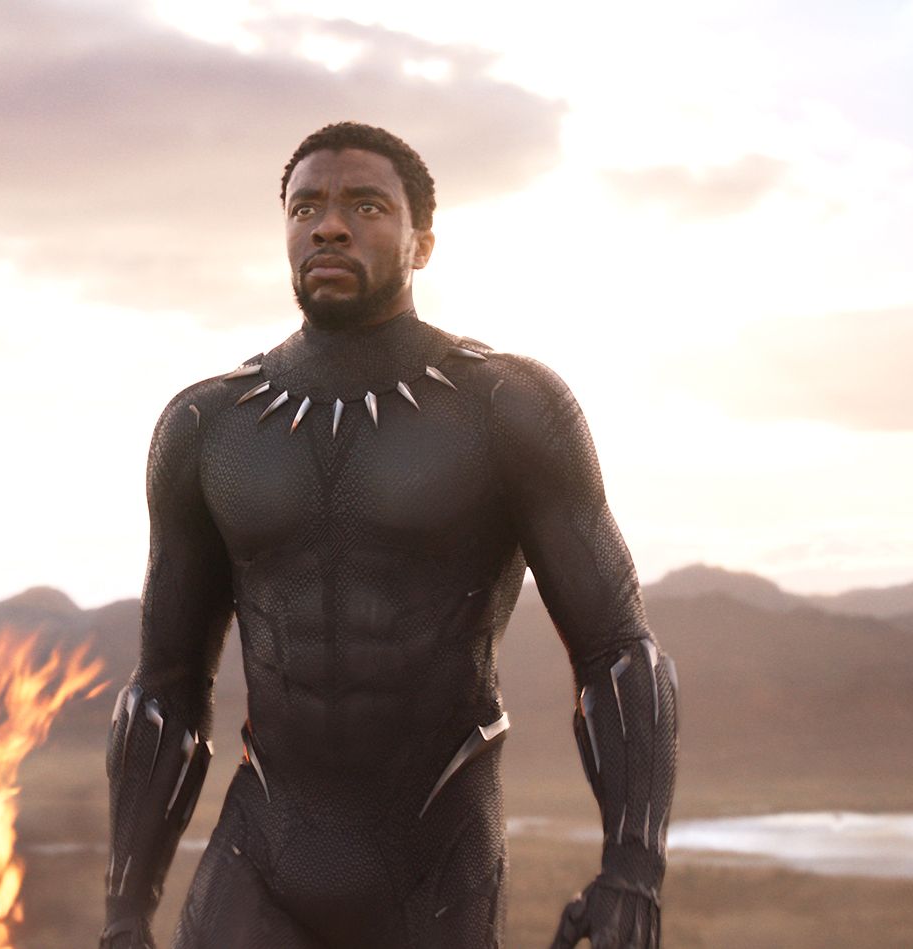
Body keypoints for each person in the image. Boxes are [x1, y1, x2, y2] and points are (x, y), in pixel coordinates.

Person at [102, 122, 678, 949]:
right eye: (306, 208)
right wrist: (125, 910)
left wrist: (633, 870)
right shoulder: (206, 426)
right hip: (260, 854)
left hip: (436, 865)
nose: (329, 227)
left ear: (423, 243)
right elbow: (165, 688)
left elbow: (617, 650)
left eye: (366, 206)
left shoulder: (507, 407)